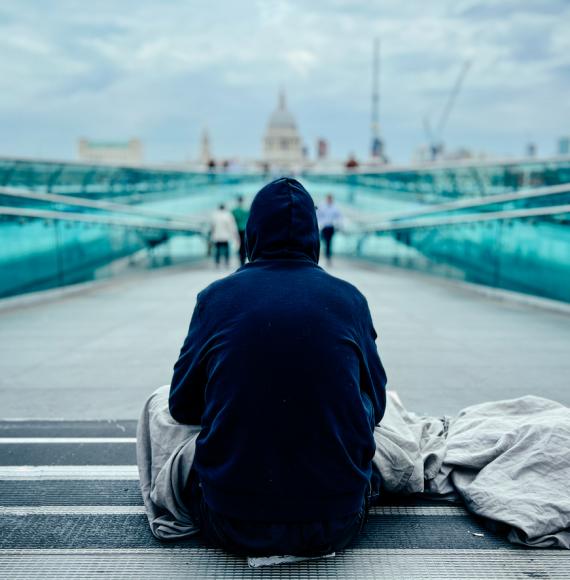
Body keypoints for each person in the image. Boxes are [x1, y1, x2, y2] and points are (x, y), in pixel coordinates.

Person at [169, 177, 387, 557]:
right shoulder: (350, 299)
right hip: (337, 521)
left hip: (230, 520)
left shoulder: (215, 299)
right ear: (315, 235)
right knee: (359, 400)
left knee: (158, 406)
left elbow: (179, 406)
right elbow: (378, 406)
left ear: (251, 232)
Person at [210, 203, 238, 268]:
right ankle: (227, 262)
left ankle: (217, 263)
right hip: (226, 236)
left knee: (217, 250)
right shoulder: (228, 215)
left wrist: (212, 234)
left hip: (217, 235)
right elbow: (232, 226)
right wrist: (234, 234)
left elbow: (212, 226)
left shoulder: (215, 215)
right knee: (226, 250)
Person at [317, 194, 342, 265]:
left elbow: (339, 217)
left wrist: (337, 224)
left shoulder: (335, 207)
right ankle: (317, 255)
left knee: (329, 243)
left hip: (331, 227)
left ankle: (328, 258)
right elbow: (318, 215)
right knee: (319, 241)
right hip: (323, 227)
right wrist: (319, 224)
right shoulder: (322, 206)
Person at [231, 195, 249, 267]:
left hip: (237, 229)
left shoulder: (234, 211)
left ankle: (240, 260)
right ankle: (243, 260)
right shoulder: (246, 210)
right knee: (244, 245)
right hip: (245, 229)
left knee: (239, 245)